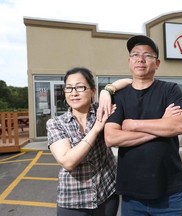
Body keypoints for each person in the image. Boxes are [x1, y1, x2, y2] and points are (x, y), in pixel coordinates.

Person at [104, 35, 182, 215]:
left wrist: (133, 124)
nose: (141, 59)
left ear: (157, 63)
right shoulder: (119, 96)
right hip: (132, 195)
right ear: (129, 61)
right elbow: (111, 137)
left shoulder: (170, 90)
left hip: (171, 193)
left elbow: (180, 126)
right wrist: (162, 126)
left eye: (148, 55)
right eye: (135, 55)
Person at [46, 67, 131, 216]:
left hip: (107, 195)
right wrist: (96, 129)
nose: (74, 92)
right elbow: (68, 162)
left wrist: (106, 91)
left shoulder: (103, 109)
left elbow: (130, 82)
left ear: (92, 91)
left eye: (80, 87)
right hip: (73, 203)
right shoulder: (56, 123)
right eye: (69, 88)